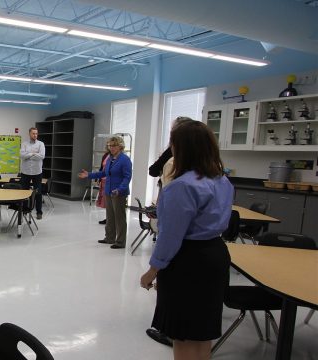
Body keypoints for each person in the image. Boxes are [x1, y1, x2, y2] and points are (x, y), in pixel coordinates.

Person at [139, 120, 233, 360]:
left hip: (188, 261)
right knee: (202, 334)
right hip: (215, 255)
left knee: (182, 335)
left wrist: (152, 271)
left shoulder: (180, 187)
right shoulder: (222, 181)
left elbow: (171, 236)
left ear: (181, 148)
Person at [144, 116, 195, 347]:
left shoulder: (178, 181)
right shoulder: (217, 176)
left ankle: (168, 329)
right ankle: (186, 330)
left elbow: (171, 235)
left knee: (172, 287)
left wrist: (152, 271)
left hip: (184, 247)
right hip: (206, 249)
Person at [78, 136, 132, 249]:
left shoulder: (125, 160)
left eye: (114, 146)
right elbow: (103, 173)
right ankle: (109, 238)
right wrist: (89, 175)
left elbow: (127, 178)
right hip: (108, 191)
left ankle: (120, 241)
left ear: (120, 146)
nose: (111, 148)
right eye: (110, 146)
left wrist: (120, 189)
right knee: (110, 216)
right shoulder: (110, 158)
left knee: (119, 217)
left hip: (118, 193)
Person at [19, 127, 45, 219]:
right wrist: (33, 153)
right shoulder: (24, 144)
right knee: (24, 192)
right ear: (29, 134)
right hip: (25, 172)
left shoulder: (41, 144)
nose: (35, 135)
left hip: (37, 172)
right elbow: (22, 155)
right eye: (33, 133)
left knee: (38, 193)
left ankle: (39, 212)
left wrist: (28, 154)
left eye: (36, 133)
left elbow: (42, 156)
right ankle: (25, 210)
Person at [96, 144, 111, 225]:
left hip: (111, 182)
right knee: (105, 201)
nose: (110, 147)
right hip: (104, 180)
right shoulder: (105, 155)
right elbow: (102, 168)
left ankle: (111, 219)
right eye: (109, 146)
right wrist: (98, 178)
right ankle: (108, 218)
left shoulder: (119, 157)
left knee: (110, 202)